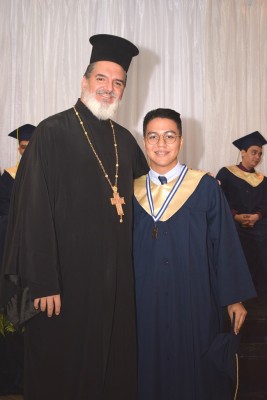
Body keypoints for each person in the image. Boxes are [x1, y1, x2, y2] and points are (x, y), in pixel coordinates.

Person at [0, 34, 148, 400]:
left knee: (112, 369)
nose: (109, 89)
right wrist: (44, 281)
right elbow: (31, 212)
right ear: (84, 81)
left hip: (115, 285)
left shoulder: (125, 140)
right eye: (102, 79)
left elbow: (149, 202)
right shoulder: (51, 133)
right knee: (62, 373)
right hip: (63, 286)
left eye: (118, 82)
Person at [133, 108, 256, 400]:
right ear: (144, 141)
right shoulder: (131, 190)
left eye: (169, 136)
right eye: (153, 136)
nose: (161, 144)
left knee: (195, 366)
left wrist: (234, 298)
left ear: (181, 141)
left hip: (195, 297)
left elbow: (223, 242)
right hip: (143, 300)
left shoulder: (204, 187)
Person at [0, 124, 35, 395]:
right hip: (12, 259)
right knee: (13, 318)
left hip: (38, 260)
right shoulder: (7, 178)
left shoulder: (46, 175)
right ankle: (13, 378)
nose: (25, 152)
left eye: (30, 147)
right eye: (22, 148)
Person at [216, 131, 267, 296]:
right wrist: (235, 216)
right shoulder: (226, 173)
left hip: (258, 226)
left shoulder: (263, 180)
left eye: (260, 154)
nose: (257, 157)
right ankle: (236, 294)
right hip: (233, 226)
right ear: (243, 152)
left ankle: (261, 293)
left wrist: (257, 216)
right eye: (254, 152)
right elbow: (218, 200)